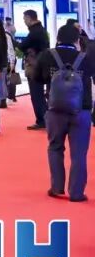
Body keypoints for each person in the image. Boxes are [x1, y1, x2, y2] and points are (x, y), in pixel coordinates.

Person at [35, 23, 94, 202]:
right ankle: (76, 193)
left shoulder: (47, 55)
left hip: (55, 109)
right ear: (77, 40)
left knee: (55, 147)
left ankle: (56, 187)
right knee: (79, 154)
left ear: (58, 38)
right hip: (81, 109)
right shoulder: (85, 57)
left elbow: (37, 78)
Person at [20, 9, 51, 129]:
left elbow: (22, 46)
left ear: (29, 18)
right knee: (39, 94)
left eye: (24, 19)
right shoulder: (41, 30)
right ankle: (45, 119)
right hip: (42, 65)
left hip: (35, 66)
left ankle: (42, 120)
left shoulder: (34, 32)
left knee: (36, 94)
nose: (24, 21)